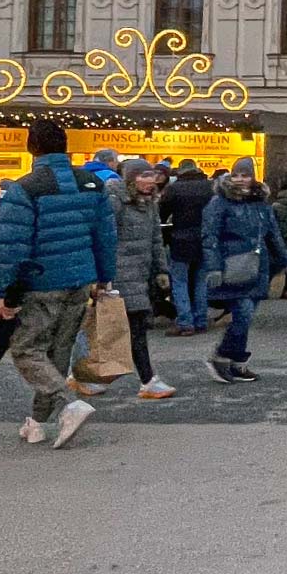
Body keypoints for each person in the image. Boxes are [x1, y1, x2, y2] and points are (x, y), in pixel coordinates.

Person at [0, 118, 118, 449]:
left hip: (40, 282)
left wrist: (2, 291)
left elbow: (11, 246)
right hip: (80, 280)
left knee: (26, 349)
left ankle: (68, 404)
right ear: (65, 144)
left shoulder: (24, 188)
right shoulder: (91, 183)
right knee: (58, 352)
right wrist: (104, 275)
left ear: (31, 147)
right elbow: (105, 235)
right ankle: (36, 423)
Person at [201, 156, 287, 381]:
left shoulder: (260, 203)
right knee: (243, 313)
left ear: (253, 176)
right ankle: (222, 356)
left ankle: (237, 361)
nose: (240, 179)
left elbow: (272, 234)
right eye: (236, 175)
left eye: (245, 174)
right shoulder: (219, 203)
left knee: (246, 316)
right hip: (233, 266)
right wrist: (213, 268)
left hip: (258, 267)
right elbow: (210, 236)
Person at [108, 159, 175, 399]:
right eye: (143, 176)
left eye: (152, 176)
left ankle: (84, 375)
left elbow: (156, 238)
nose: (150, 181)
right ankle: (148, 379)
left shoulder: (149, 204)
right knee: (136, 327)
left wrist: (161, 270)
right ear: (130, 178)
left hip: (140, 274)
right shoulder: (115, 201)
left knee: (113, 328)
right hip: (119, 275)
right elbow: (104, 236)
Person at [159, 162, 214, 335]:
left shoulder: (174, 188)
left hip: (180, 240)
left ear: (181, 171)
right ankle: (201, 320)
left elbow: (162, 214)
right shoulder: (210, 187)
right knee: (201, 281)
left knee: (180, 282)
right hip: (205, 240)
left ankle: (185, 322)